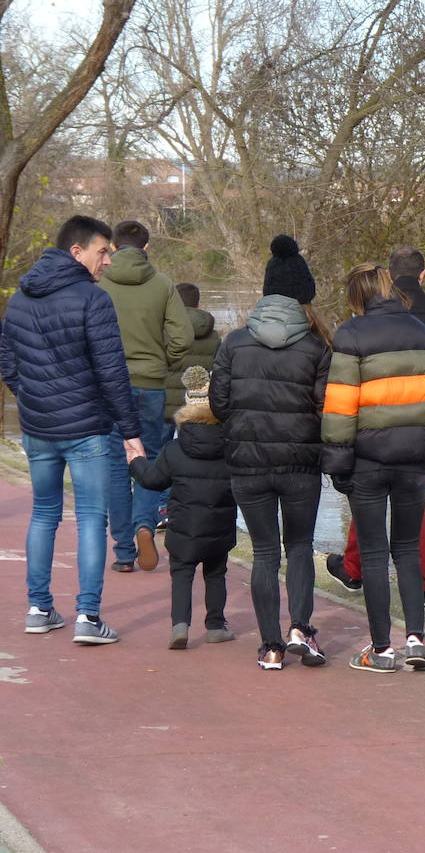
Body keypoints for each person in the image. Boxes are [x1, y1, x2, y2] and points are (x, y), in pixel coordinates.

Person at [1, 215, 142, 644]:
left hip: (38, 426)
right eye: (102, 253)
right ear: (76, 251)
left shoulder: (21, 297)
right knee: (90, 519)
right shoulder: (92, 299)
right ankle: (87, 617)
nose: (107, 263)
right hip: (88, 430)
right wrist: (130, 431)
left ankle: (39, 608)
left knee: (44, 513)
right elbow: (112, 372)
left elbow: (6, 359)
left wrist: (28, 396)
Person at [210, 235, 331, 670]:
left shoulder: (233, 343)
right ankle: (302, 627)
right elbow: (325, 411)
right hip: (301, 465)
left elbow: (219, 405)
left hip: (248, 465)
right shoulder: (318, 347)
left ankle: (271, 646)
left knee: (264, 553)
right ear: (304, 296)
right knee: (299, 546)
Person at [326, 246, 425, 607]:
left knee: (368, 493)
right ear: (424, 274)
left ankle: (356, 569)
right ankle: (424, 585)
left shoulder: (363, 323)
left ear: (388, 276)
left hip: (372, 423)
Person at [323, 263, 425, 673]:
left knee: (373, 555)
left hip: (368, 459)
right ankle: (416, 641)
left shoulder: (351, 334)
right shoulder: (421, 331)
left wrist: (337, 462)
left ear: (357, 296)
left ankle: (380, 649)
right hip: (415, 457)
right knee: (407, 549)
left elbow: (340, 405)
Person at [99, 219, 193, 572]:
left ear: (112, 245)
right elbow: (182, 339)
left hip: (108, 387)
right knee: (150, 461)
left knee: (116, 467)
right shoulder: (163, 285)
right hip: (151, 387)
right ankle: (144, 525)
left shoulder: (99, 284)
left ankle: (123, 551)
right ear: (147, 248)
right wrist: (160, 364)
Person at [129, 366, 237, 649]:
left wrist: (136, 462)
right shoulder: (231, 447)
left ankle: (180, 626)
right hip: (219, 526)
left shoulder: (173, 450)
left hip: (183, 525)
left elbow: (153, 481)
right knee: (215, 574)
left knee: (181, 573)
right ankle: (215, 625)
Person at [157, 283, 222, 528]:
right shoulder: (213, 335)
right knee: (192, 459)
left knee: (161, 456)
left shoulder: (165, 331)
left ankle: (162, 508)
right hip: (196, 407)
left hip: (164, 405)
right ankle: (186, 507)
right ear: (198, 302)